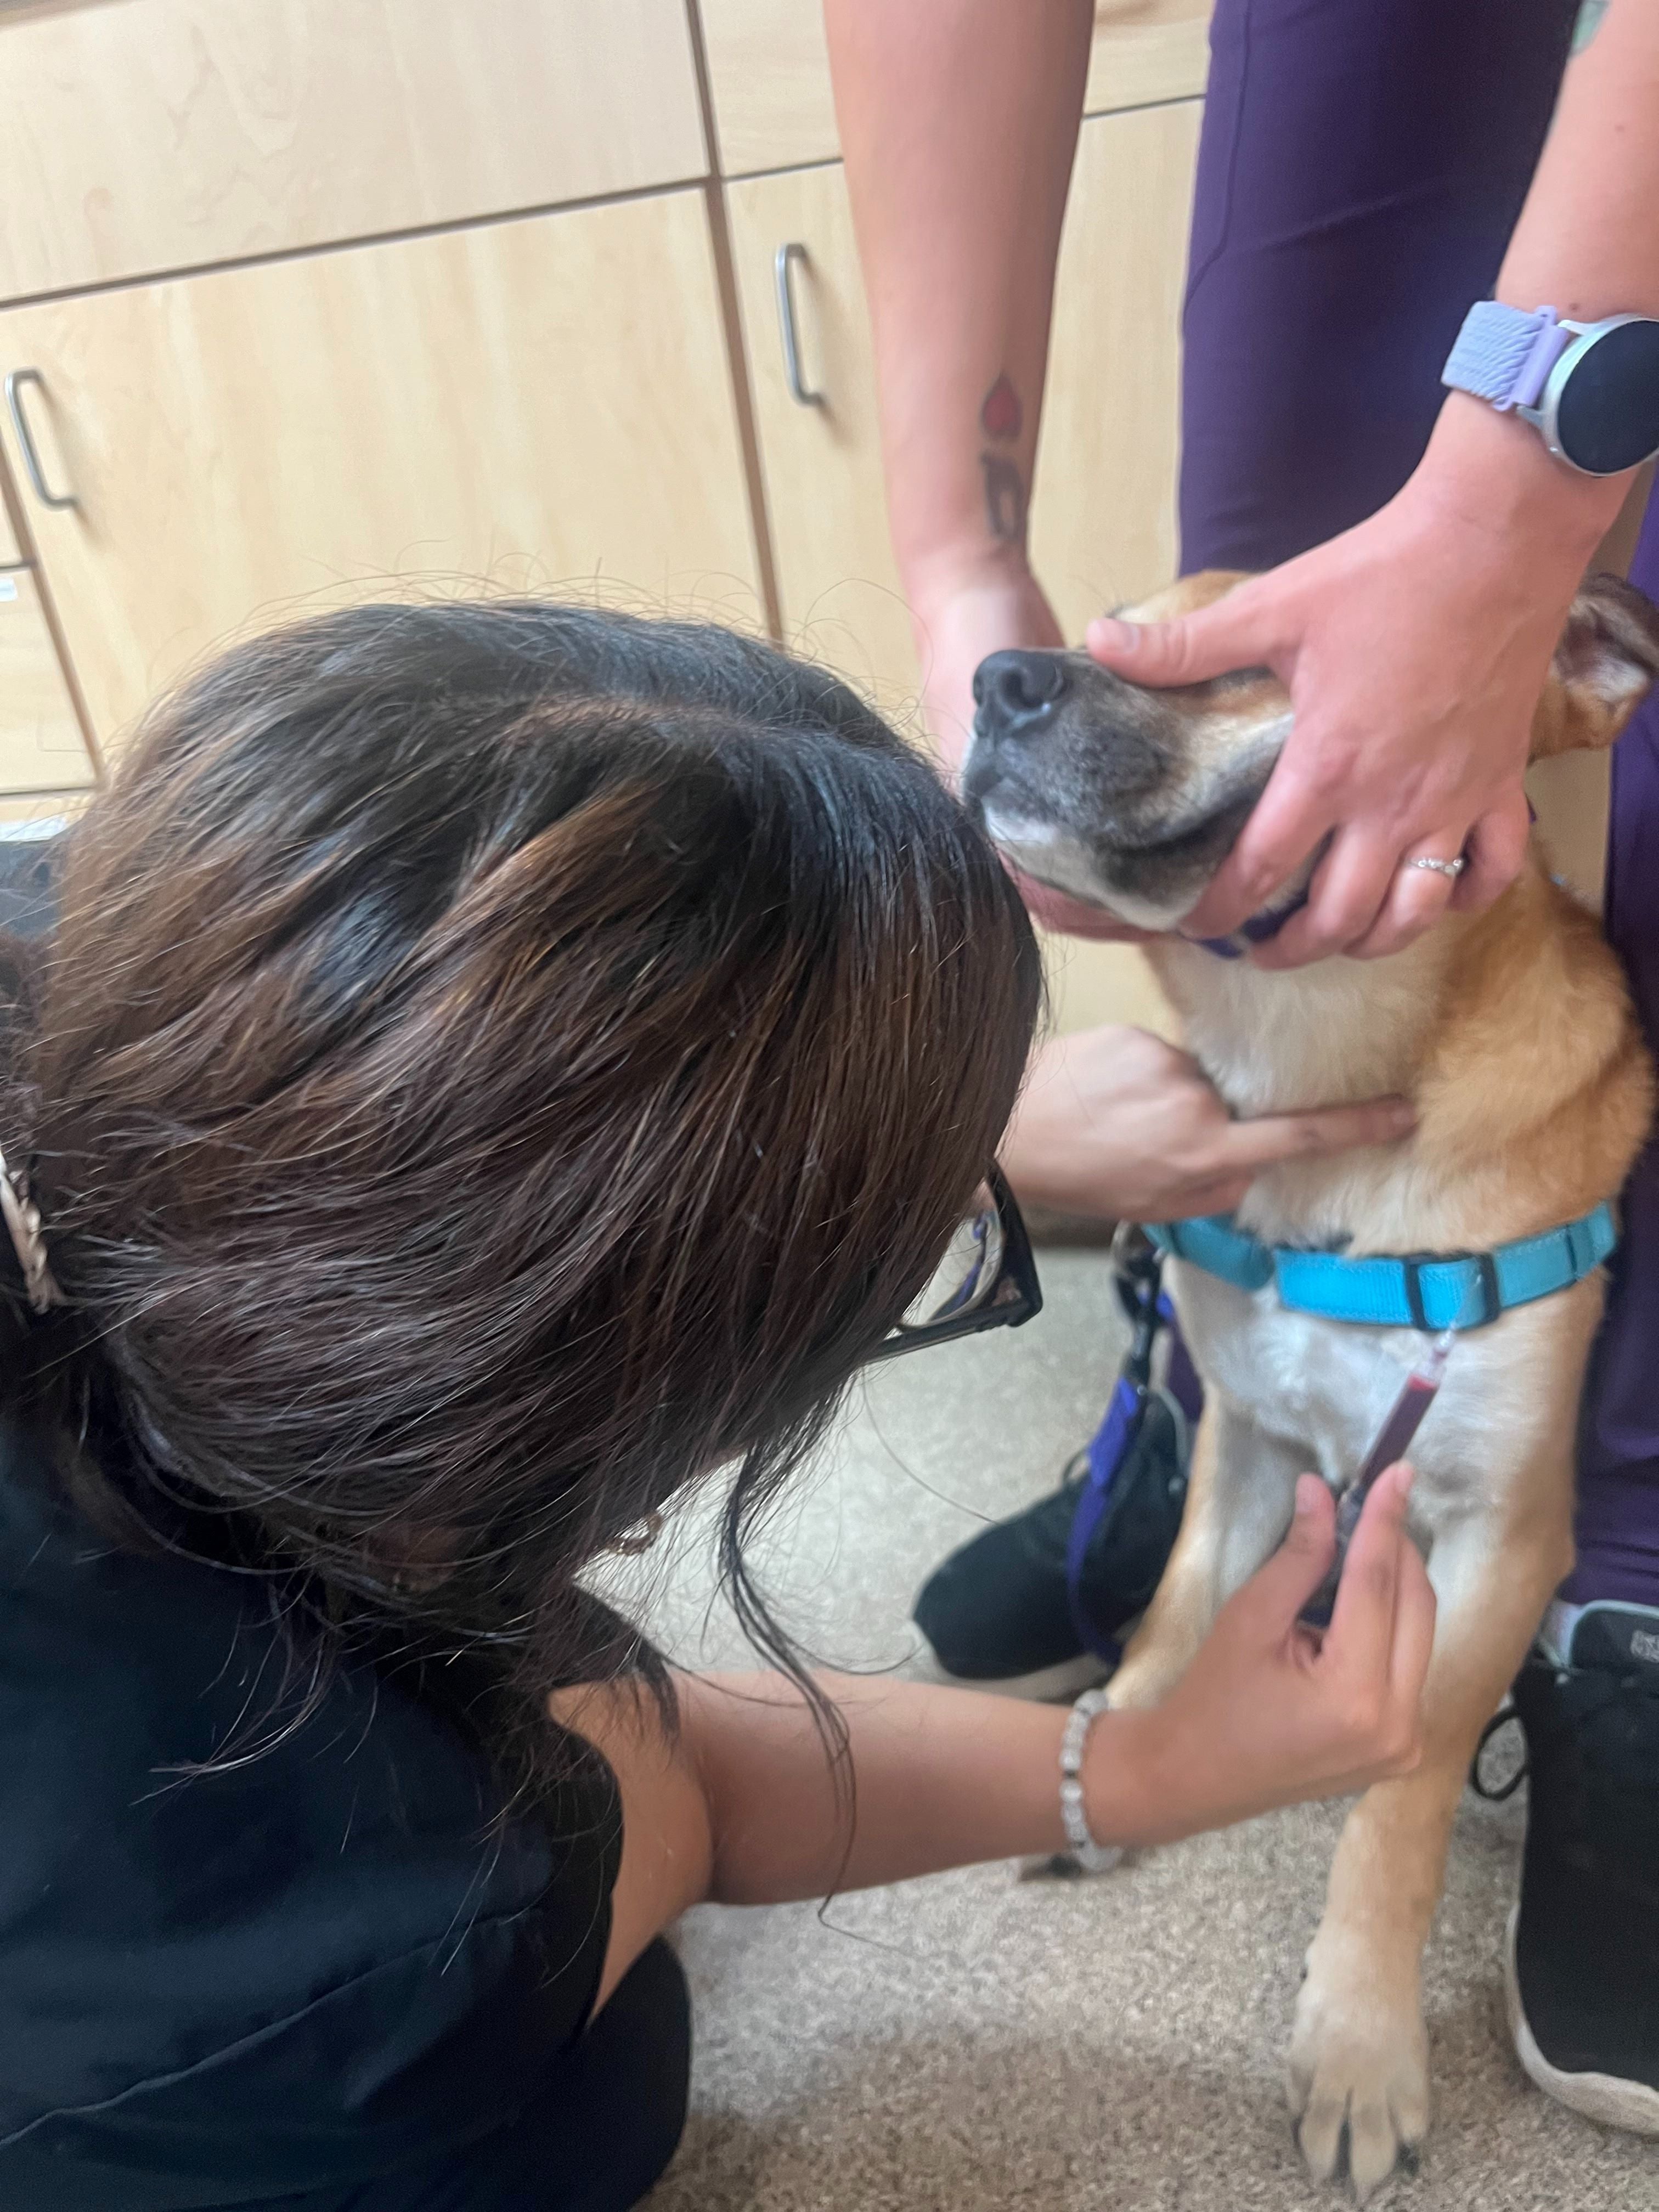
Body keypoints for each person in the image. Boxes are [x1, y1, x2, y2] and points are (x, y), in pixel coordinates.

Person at [0, 601, 1435, 2211]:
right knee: (592, 2090)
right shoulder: (321, 1920)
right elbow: (671, 1784)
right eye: (915, 1262)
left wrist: (1150, 1760)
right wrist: (1146, 1764)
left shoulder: (76, 923)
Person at [825, 0, 1659, 2132]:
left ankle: (1632, 1596)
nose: (1071, 683)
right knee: (1302, 428)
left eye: (1227, 670)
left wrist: (1520, 536)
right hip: (1277, 1180)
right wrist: (958, 566)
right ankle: (1190, 1461)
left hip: (1487, 1134)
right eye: (1149, 649)